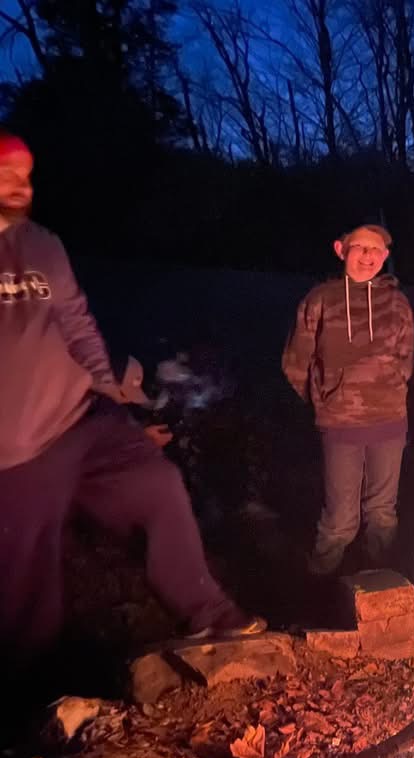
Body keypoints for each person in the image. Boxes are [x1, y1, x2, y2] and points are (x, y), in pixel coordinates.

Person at [0, 131, 265, 654]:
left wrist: (107, 387)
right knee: (27, 585)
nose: (20, 185)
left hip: (81, 415)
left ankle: (205, 611)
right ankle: (26, 686)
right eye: (6, 174)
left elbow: (76, 320)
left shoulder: (42, 244)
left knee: (157, 485)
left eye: (26, 175)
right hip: (16, 447)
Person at [283, 224, 414, 575]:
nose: (367, 256)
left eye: (375, 250)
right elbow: (296, 359)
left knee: (382, 513)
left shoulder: (397, 303)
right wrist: (324, 399)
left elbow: (406, 358)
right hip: (340, 425)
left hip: (389, 421)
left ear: (385, 256)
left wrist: (390, 390)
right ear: (341, 249)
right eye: (359, 247)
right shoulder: (320, 299)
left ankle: (382, 583)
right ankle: (320, 580)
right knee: (340, 519)